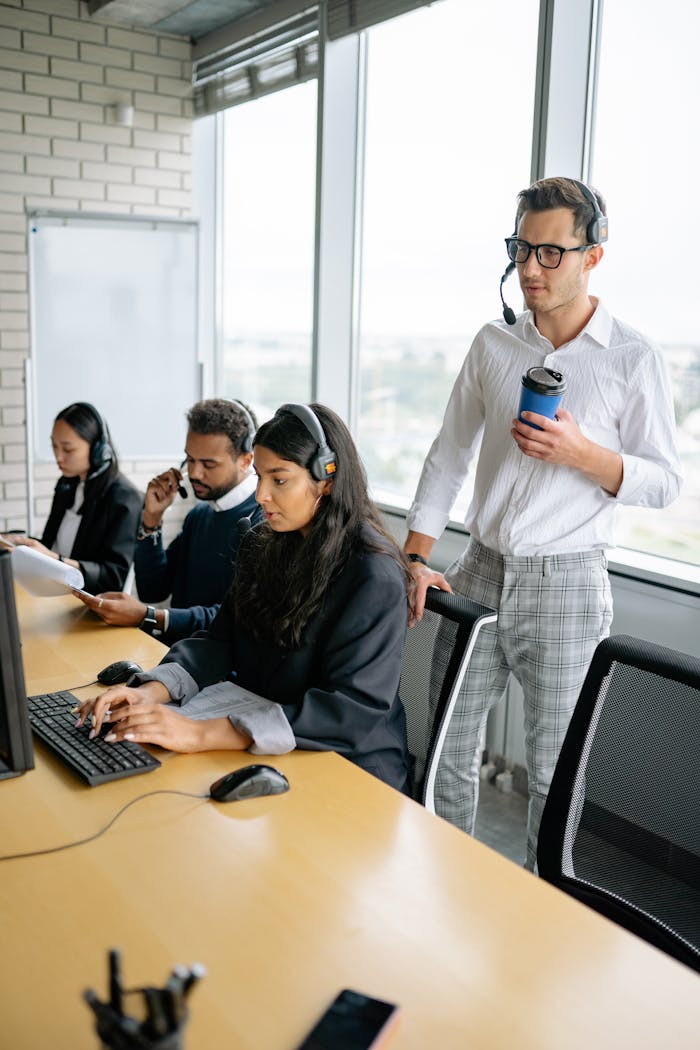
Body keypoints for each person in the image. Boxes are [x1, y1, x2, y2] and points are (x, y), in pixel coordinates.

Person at [403, 176, 683, 869]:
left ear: (594, 255)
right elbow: (449, 454)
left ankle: (542, 928)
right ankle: (434, 906)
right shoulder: (494, 345)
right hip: (479, 571)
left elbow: (665, 482)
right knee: (444, 753)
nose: (530, 268)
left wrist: (583, 453)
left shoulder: (632, 358)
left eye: (551, 252)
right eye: (520, 249)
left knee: (556, 780)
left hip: (569, 585)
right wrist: (415, 556)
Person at [77, 403, 413, 791]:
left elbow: (350, 711)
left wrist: (200, 734)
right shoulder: (263, 542)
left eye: (279, 480)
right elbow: (221, 641)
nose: (262, 495)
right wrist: (150, 693)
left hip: (349, 765)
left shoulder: (373, 574)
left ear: (328, 479)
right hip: (267, 736)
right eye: (259, 478)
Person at [74, 399, 263, 645]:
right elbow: (154, 589)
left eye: (208, 464)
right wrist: (151, 519)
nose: (194, 473)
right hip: (177, 657)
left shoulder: (260, 523)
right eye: (190, 459)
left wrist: (150, 616)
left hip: (219, 671)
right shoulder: (200, 515)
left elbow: (235, 619)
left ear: (246, 460)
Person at [12, 402, 141, 593]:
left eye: (68, 449)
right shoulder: (67, 484)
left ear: (99, 450)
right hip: (52, 591)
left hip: (85, 602)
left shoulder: (124, 498)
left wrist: (56, 560)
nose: (58, 457)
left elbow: (113, 577)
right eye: (54, 447)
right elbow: (49, 545)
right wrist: (20, 542)